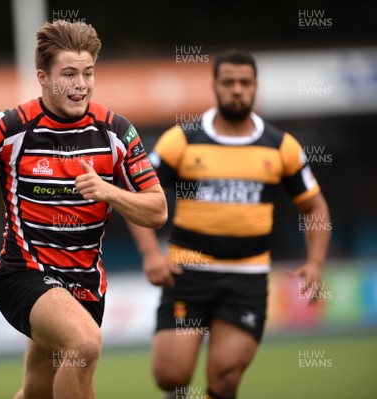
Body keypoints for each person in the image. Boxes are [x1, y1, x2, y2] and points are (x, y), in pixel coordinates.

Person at [0, 20, 167, 399]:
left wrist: (108, 191)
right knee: (84, 345)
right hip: (24, 275)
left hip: (87, 288)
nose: (80, 84)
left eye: (88, 73)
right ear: (43, 78)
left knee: (36, 392)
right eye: (68, 74)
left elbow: (157, 209)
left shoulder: (117, 132)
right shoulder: (10, 127)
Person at [127, 48, 331, 399]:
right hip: (187, 274)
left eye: (245, 83)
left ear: (255, 88)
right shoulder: (184, 140)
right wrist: (150, 254)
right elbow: (139, 197)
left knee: (226, 378)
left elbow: (314, 208)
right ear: (215, 86)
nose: (237, 90)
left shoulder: (280, 146)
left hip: (246, 278)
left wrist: (315, 262)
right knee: (170, 375)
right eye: (229, 82)